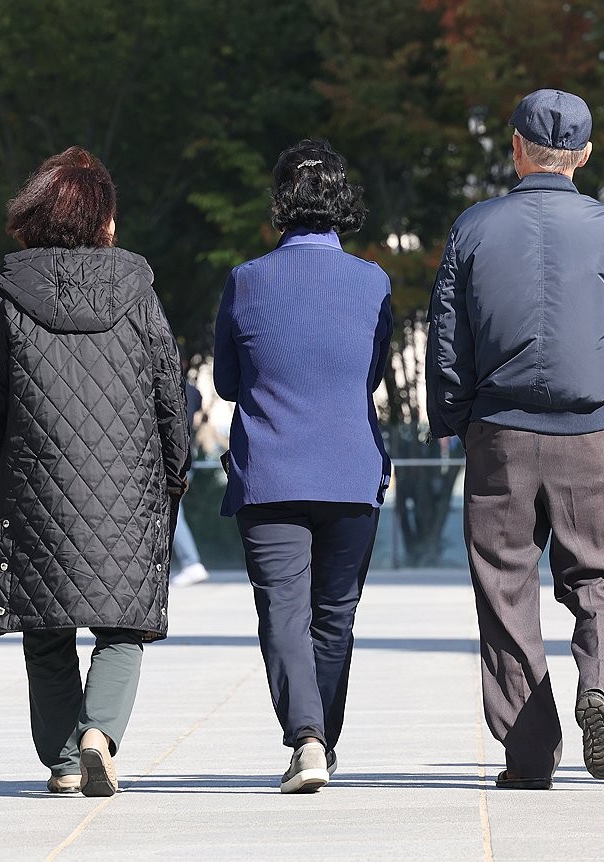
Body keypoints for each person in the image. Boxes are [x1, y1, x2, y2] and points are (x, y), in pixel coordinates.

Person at [426, 89, 604, 790]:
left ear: (515, 147)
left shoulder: (472, 229)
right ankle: (597, 686)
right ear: (585, 154)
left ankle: (530, 754)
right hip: (591, 432)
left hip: (500, 433)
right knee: (597, 580)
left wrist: (451, 420)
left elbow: (449, 341)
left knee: (506, 590)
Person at [0, 147, 190, 797]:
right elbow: (168, 390)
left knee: (46, 628)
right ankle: (100, 732)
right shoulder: (137, 287)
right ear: (101, 216)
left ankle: (66, 763)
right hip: (127, 487)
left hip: (35, 487)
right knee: (123, 622)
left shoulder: (10, 289)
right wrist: (175, 471)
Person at [212, 139, 392, 794]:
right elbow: (370, 374)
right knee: (335, 614)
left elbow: (228, 383)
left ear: (280, 201)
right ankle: (321, 742)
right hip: (351, 469)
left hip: (272, 472)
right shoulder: (373, 282)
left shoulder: (247, 280)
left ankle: (308, 739)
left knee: (284, 612)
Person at [170, 367, 211, 587]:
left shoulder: (176, 387)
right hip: (188, 456)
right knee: (176, 511)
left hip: (174, 457)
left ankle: (191, 562)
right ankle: (189, 563)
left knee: (174, 513)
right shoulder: (194, 391)